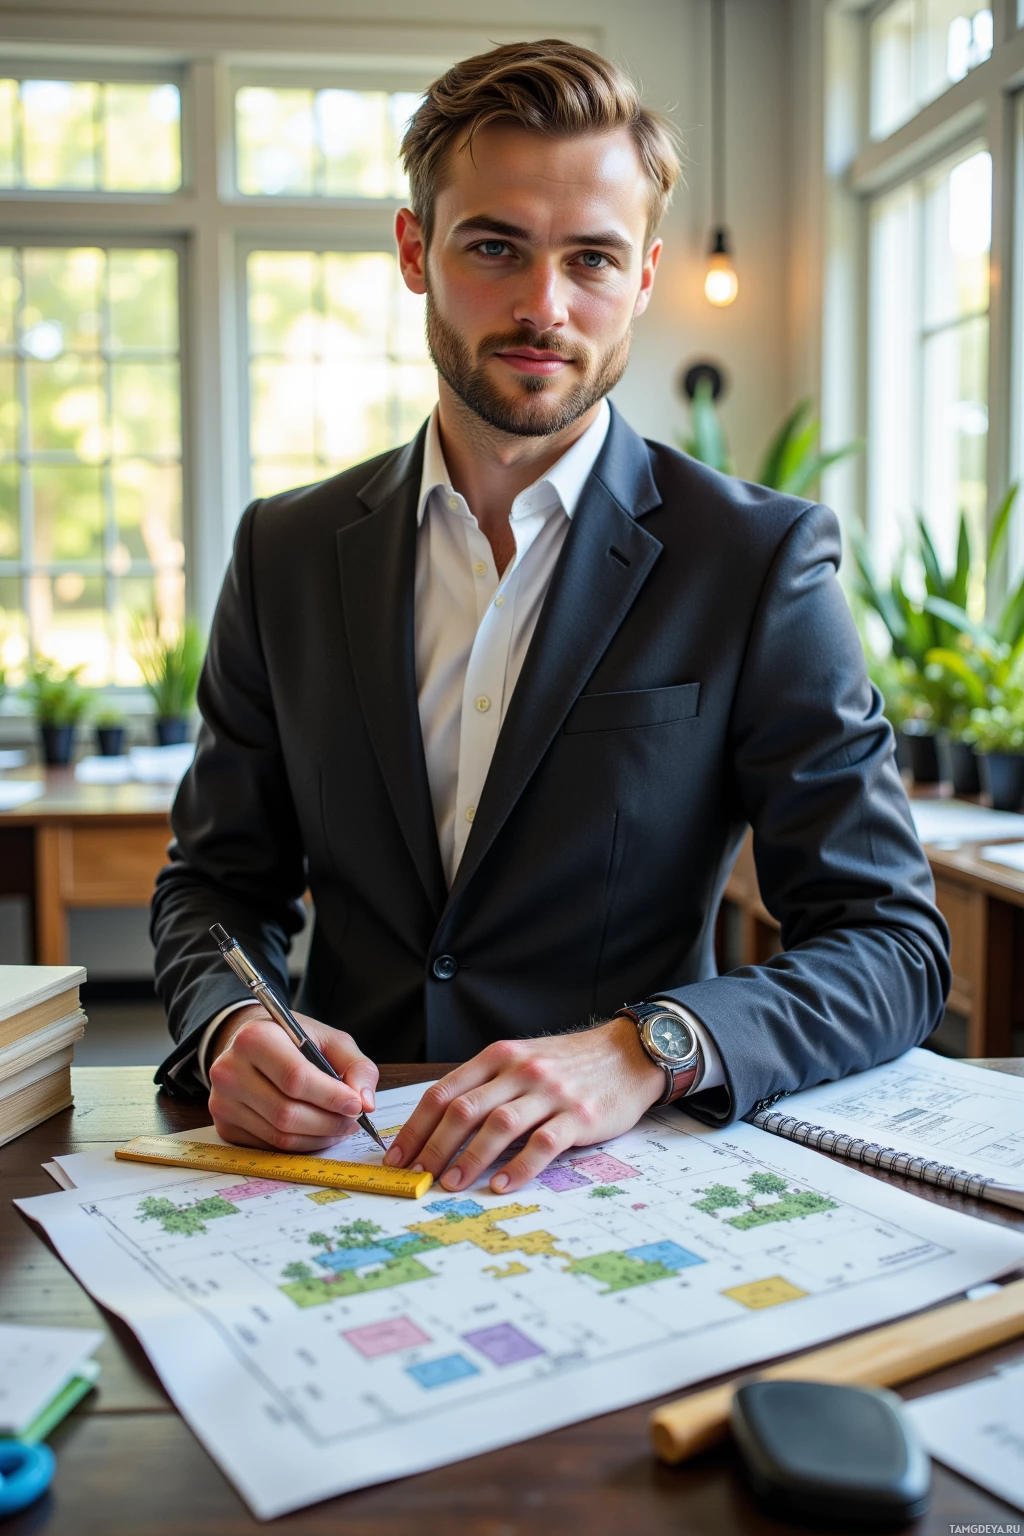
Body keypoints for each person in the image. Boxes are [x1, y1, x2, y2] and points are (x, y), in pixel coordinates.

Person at [152, 39, 950, 1198]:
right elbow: (216, 883)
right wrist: (232, 1027)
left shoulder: (755, 558)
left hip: (631, 1184)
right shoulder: (283, 549)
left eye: (591, 259)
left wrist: (649, 1048)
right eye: (494, 247)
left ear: (642, 276)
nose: (544, 306)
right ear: (415, 251)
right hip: (341, 1178)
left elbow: (890, 944)